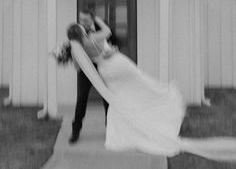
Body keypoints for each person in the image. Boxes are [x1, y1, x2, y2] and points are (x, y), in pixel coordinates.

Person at [66, 17, 236, 161]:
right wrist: (97, 20)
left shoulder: (77, 49)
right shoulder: (94, 37)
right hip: (118, 64)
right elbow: (108, 31)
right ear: (81, 31)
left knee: (122, 97)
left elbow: (77, 66)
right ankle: (164, 95)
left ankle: (125, 128)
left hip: (105, 71)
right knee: (143, 84)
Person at [69, 7, 116, 144]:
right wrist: (76, 63)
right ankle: (75, 131)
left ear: (92, 18)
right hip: (84, 69)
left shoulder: (101, 27)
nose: (82, 21)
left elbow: (113, 42)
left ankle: (111, 130)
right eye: (80, 18)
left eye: (85, 19)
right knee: (81, 99)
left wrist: (112, 51)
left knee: (107, 99)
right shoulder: (76, 30)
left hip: (102, 67)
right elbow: (73, 48)